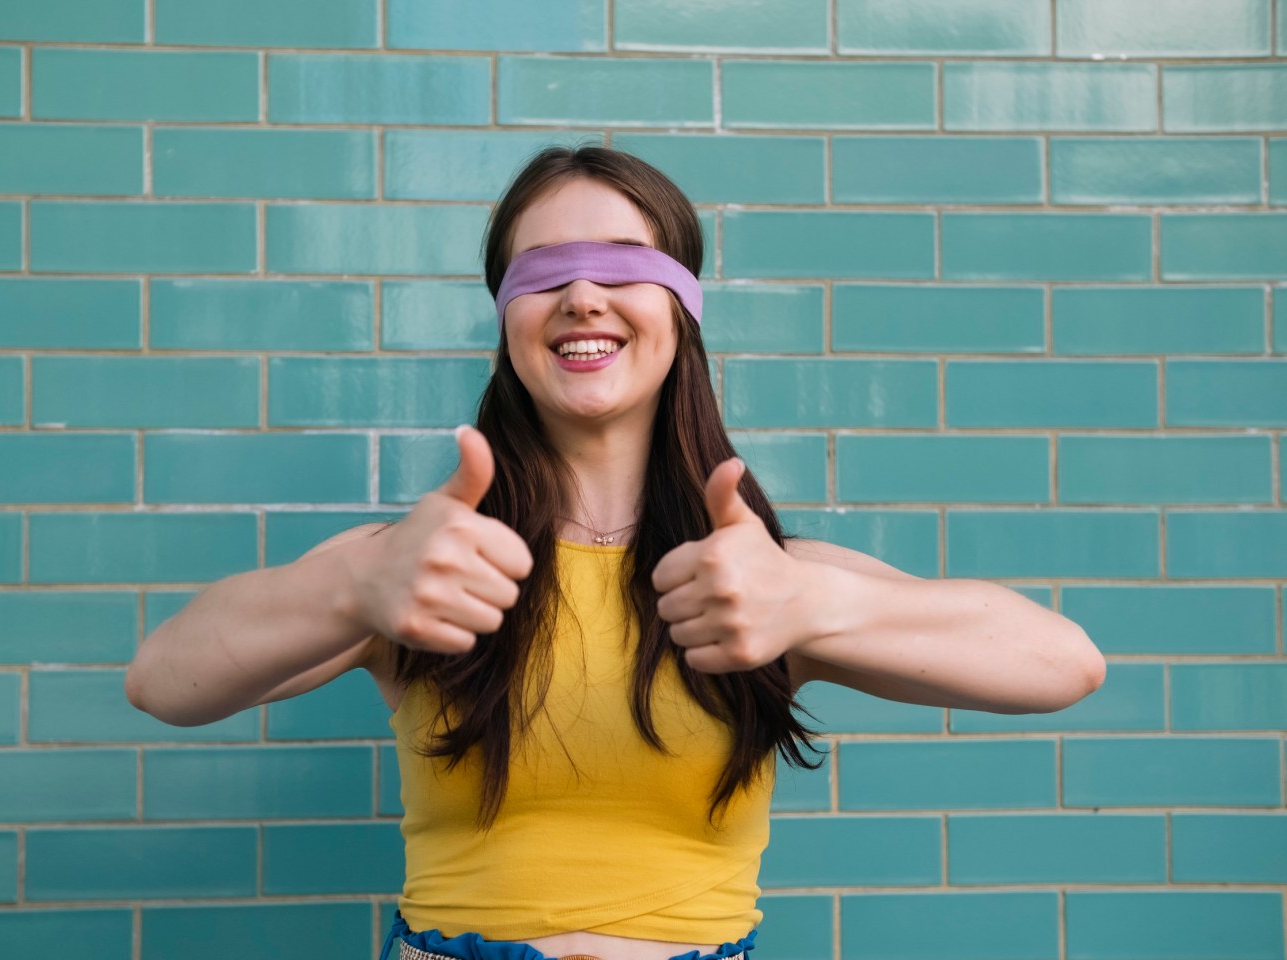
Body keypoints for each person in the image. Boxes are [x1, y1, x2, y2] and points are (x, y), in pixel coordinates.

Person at [125, 145, 1107, 960]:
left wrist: (812, 606)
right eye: (543, 271)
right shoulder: (423, 569)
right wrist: (351, 586)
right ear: (505, 315)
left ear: (681, 309)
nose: (583, 293)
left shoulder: (757, 577)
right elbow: (163, 681)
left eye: (622, 265)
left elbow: (1064, 664)